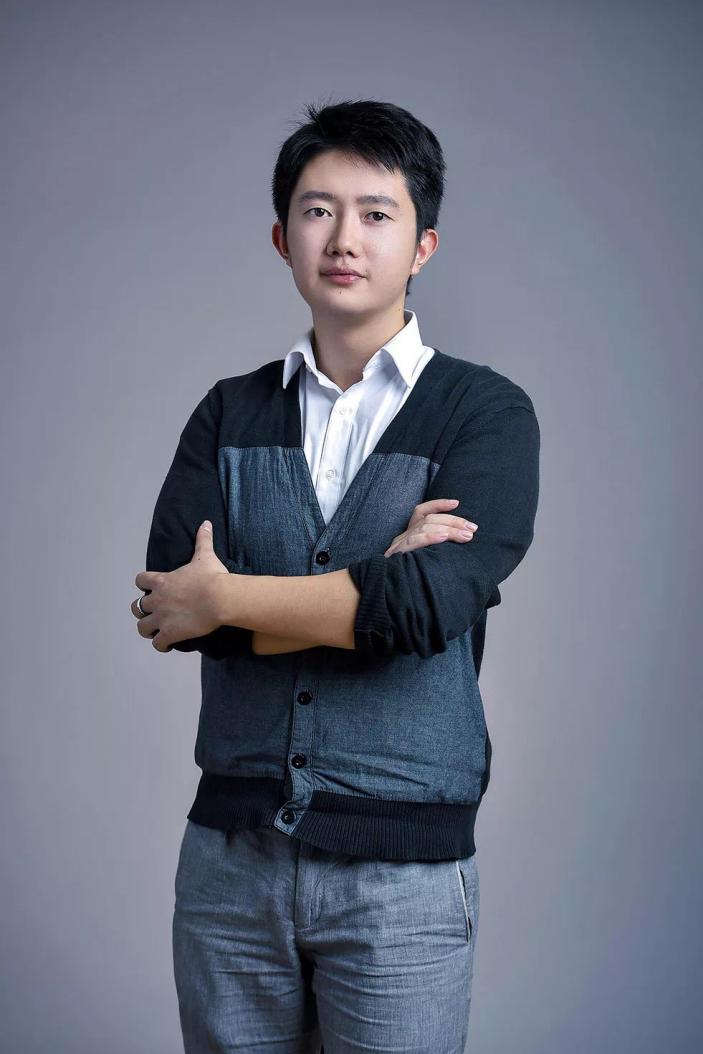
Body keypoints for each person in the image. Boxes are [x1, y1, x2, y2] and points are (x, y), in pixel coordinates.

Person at [132, 98, 540, 1053]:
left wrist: (229, 596)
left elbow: (427, 606)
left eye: (375, 213)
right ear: (282, 238)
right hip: (230, 865)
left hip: (401, 877)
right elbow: (170, 611)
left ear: (423, 245)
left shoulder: (483, 413)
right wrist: (369, 589)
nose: (344, 238)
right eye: (317, 211)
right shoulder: (230, 411)